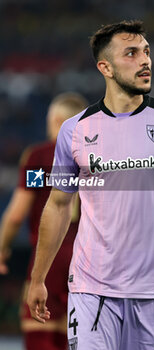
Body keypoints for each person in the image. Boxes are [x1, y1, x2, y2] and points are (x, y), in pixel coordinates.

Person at [27, 20, 154, 350]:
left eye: (147, 52)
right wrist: (37, 277)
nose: (145, 61)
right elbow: (58, 204)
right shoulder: (74, 130)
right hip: (90, 290)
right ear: (105, 67)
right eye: (132, 53)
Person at [0, 92, 88, 350]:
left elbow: (16, 214)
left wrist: (3, 247)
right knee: (71, 338)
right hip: (85, 260)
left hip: (47, 256)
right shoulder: (93, 159)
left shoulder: (41, 157)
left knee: (39, 332)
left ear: (59, 121)